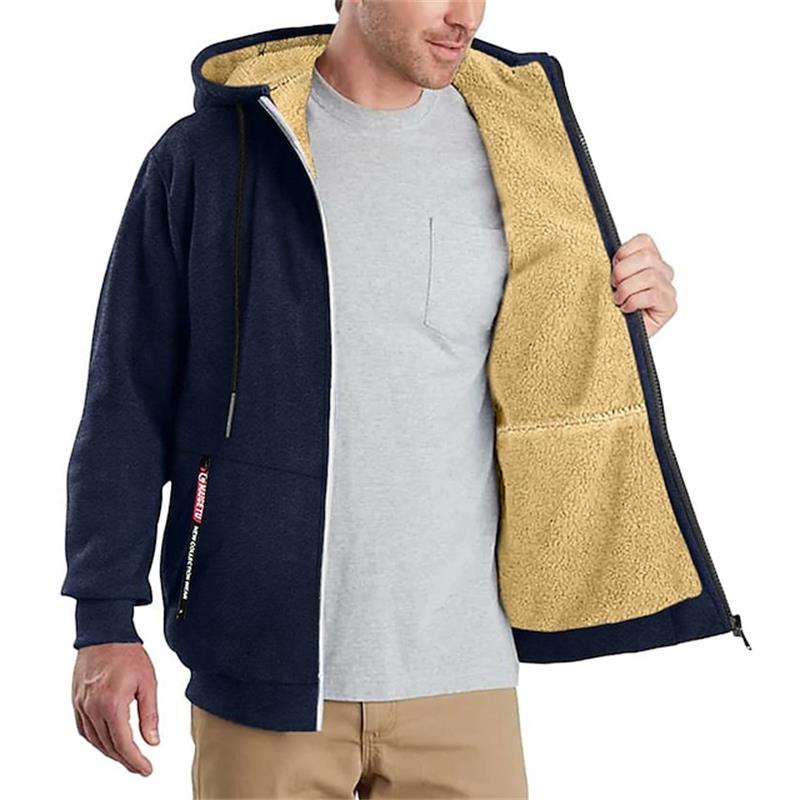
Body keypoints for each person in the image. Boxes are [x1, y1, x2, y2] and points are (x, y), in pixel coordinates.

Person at [62, 1, 747, 797]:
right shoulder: (212, 157)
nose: (464, 15)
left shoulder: (521, 152)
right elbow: (126, 397)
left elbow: (539, 362)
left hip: (463, 671)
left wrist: (619, 326)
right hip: (261, 663)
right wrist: (103, 620)